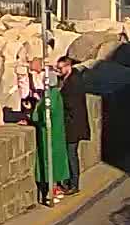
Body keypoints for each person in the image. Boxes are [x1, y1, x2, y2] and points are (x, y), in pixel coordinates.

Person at [24, 58, 70, 205]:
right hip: (58, 134)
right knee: (56, 162)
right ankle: (56, 188)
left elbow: (41, 114)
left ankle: (51, 191)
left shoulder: (50, 97)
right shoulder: (57, 94)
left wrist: (31, 114)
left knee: (49, 162)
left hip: (47, 135)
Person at [56, 57, 87, 197]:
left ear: (68, 66)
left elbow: (70, 103)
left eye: (61, 68)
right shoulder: (73, 78)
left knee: (71, 155)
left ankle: (74, 184)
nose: (59, 71)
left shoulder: (73, 82)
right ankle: (72, 182)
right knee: (72, 154)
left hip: (73, 125)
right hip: (74, 124)